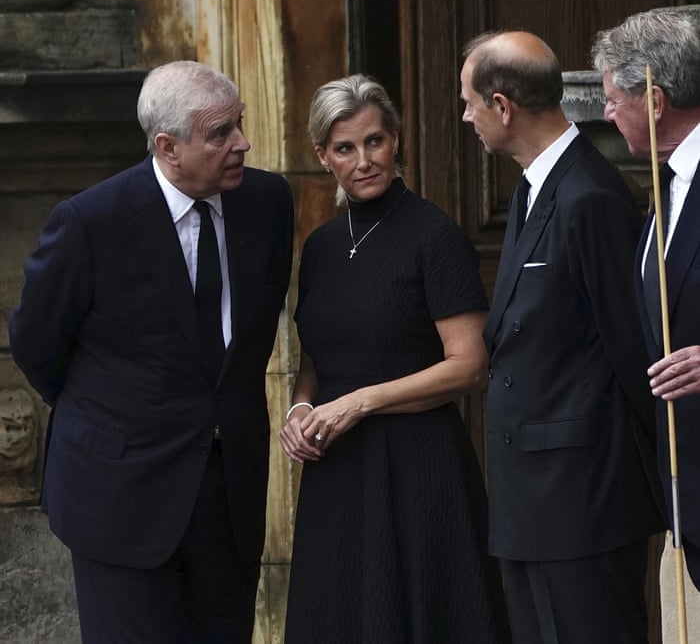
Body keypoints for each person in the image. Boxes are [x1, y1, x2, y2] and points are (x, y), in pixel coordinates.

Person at [8, 60, 293, 643]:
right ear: (168, 147)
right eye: (220, 134)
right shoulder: (92, 221)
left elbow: (250, 338)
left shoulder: (267, 203)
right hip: (119, 492)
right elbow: (36, 344)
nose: (241, 143)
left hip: (227, 492)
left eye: (239, 123)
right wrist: (115, 413)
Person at [278, 74, 509, 643]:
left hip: (418, 468)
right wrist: (300, 409)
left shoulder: (435, 236)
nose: (364, 160)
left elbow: (469, 365)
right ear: (322, 157)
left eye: (375, 141)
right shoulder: (322, 248)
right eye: (345, 149)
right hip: (336, 471)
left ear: (397, 139)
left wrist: (358, 403)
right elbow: (320, 354)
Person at [461, 31, 666, 643]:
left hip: (584, 503)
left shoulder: (590, 196)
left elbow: (636, 354)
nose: (465, 116)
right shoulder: (534, 188)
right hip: (533, 500)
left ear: (502, 107)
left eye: (471, 101)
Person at [592, 7, 700, 590]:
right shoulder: (667, 182)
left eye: (613, 99)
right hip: (683, 492)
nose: (607, 113)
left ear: (654, 102)